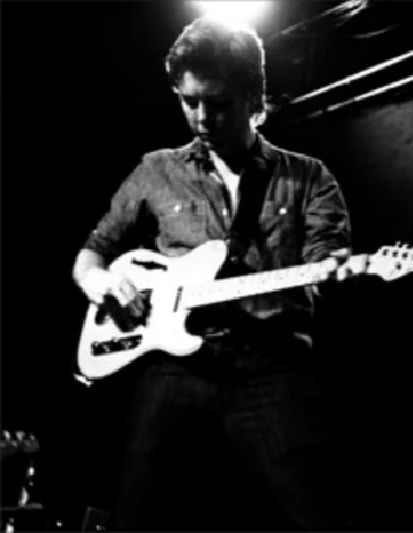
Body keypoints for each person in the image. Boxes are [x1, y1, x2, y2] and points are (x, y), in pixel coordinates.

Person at [72, 15, 354, 531]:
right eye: (188, 101)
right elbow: (91, 254)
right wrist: (102, 282)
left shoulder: (309, 177)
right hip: (174, 370)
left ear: (254, 98)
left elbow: (322, 266)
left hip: (270, 364)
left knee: (318, 517)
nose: (202, 118)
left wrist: (334, 272)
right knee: (136, 514)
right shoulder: (156, 170)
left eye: (218, 103)